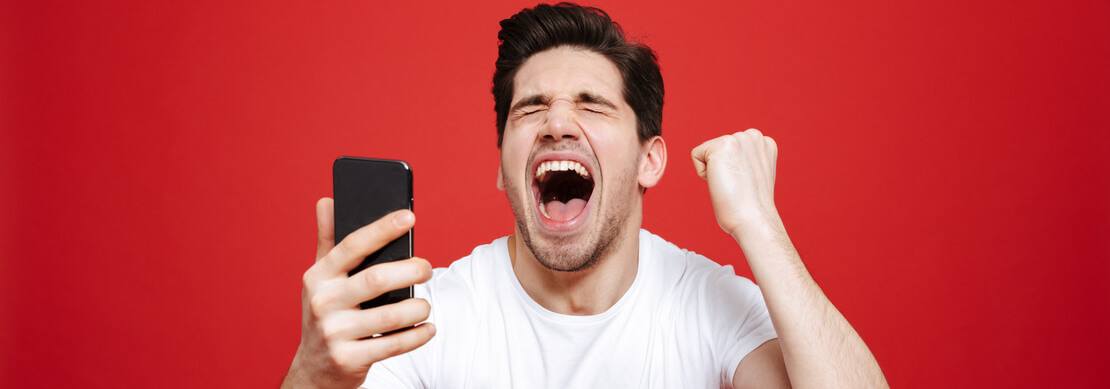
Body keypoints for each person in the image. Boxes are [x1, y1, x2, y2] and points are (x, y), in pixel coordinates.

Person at [282, 3, 887, 388]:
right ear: (502, 167)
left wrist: (760, 224)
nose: (557, 123)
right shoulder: (429, 319)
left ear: (651, 160)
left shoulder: (709, 305)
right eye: (532, 108)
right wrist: (312, 373)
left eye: (592, 105)